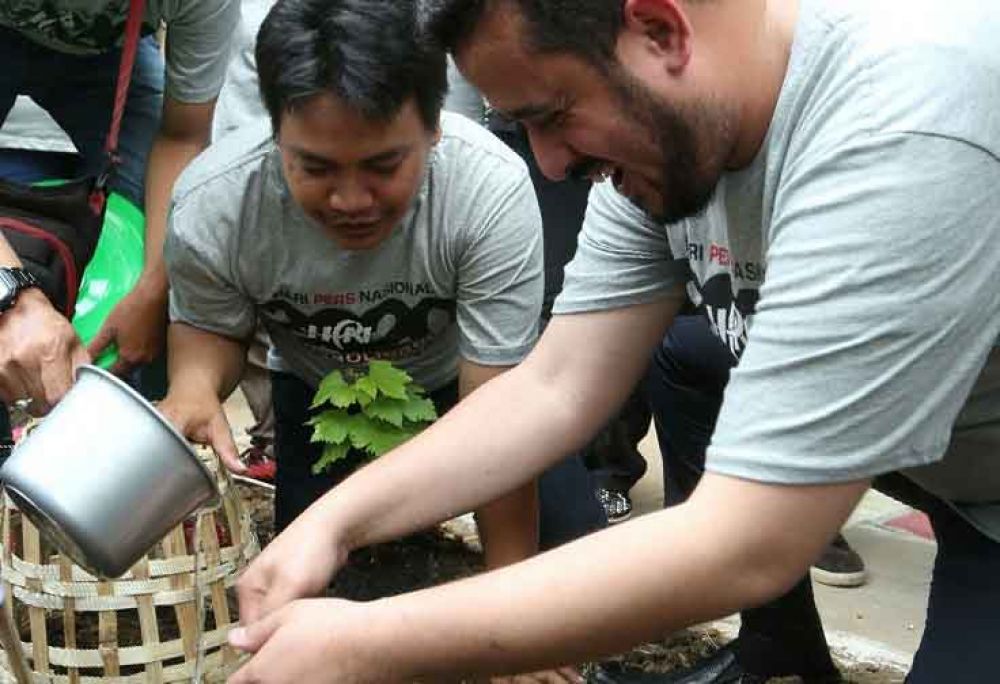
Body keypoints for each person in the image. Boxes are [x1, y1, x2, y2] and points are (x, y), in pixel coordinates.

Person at [226, 0, 1000, 682]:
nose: (551, 164)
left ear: (660, 28)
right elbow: (555, 385)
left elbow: (746, 540)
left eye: (552, 115)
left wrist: (367, 643)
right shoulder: (671, 135)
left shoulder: (899, 123)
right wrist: (330, 525)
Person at [157, 0, 609, 575]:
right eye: (316, 168)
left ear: (435, 126)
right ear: (274, 132)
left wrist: (509, 599)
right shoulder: (215, 202)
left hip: (464, 382)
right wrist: (194, 386)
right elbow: (209, 328)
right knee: (320, 572)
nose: (351, 200)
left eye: (383, 165)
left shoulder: (487, 192)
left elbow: (501, 414)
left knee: (571, 553)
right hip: (322, 395)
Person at [0, 0, 239, 417]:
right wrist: (13, 301)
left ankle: (139, 424)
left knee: (177, 244)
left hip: (110, 58)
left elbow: (184, 135)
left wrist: (151, 287)